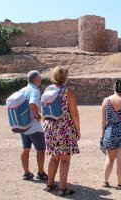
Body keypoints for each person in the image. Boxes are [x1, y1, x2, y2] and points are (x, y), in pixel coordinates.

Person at [44, 66, 80, 196]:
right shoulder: (67, 91)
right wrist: (78, 130)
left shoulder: (47, 89)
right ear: (65, 77)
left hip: (50, 127)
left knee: (54, 158)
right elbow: (74, 113)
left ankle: (49, 185)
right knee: (65, 159)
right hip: (64, 128)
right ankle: (62, 189)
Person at [19, 70, 48, 181]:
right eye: (39, 78)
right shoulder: (35, 90)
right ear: (35, 79)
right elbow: (32, 103)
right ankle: (41, 173)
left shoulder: (22, 90)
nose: (40, 79)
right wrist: (37, 116)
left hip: (23, 125)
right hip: (34, 126)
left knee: (25, 148)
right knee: (40, 149)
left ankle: (26, 173)